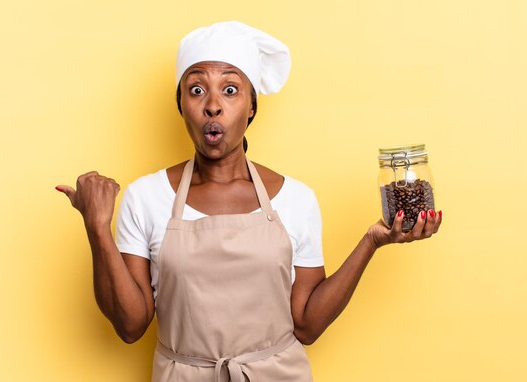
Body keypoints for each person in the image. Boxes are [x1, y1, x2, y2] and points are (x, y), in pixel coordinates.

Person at [56, 21, 442, 382]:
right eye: (196, 89)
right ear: (181, 108)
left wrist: (371, 241)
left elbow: (306, 324)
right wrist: (97, 228)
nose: (212, 105)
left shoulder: (296, 199)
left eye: (230, 89)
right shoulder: (146, 197)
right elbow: (130, 326)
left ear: (251, 106)